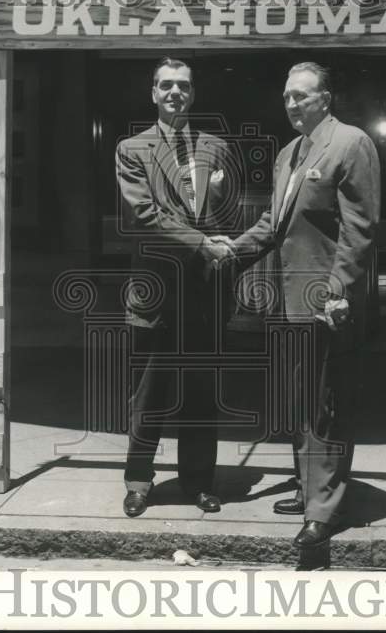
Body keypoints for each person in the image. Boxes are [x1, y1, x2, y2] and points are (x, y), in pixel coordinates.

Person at [213, 61, 380, 549]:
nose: (291, 103)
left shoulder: (351, 143)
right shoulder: (289, 153)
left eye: (301, 96)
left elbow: (360, 229)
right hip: (287, 301)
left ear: (325, 99)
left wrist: (339, 290)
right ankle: (311, 491)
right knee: (300, 400)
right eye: (287, 96)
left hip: (326, 300)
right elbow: (273, 223)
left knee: (327, 404)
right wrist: (232, 250)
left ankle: (321, 514)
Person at [116, 57, 237, 518]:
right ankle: (138, 481)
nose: (174, 93)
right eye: (166, 86)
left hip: (204, 293)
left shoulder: (216, 148)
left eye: (183, 86)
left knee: (202, 391)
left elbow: (225, 220)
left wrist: (220, 215)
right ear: (153, 93)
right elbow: (141, 216)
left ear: (193, 93)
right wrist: (202, 242)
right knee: (149, 391)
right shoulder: (133, 149)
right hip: (156, 291)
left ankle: (200, 482)